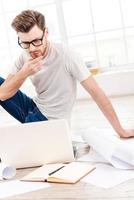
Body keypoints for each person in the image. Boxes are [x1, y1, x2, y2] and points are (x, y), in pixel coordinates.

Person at [0, 9, 133, 138]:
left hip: (49, 121)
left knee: (16, 147)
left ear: (46, 33)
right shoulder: (24, 57)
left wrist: (120, 130)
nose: (32, 48)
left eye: (36, 41)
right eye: (25, 43)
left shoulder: (66, 56)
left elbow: (96, 92)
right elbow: (2, 94)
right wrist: (24, 73)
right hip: (33, 107)